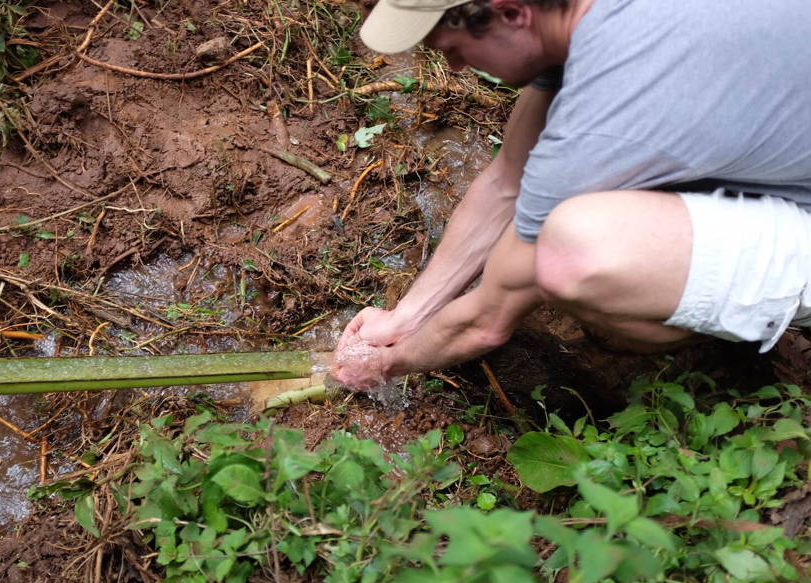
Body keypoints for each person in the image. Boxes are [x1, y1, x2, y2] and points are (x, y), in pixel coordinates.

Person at [331, 0, 811, 390]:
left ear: (511, 12)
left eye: (453, 47)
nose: (454, 64)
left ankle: (717, 348)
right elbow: (505, 184)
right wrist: (404, 318)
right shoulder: (590, 21)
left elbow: (487, 321)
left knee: (573, 251)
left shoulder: (607, 105)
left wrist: (386, 365)